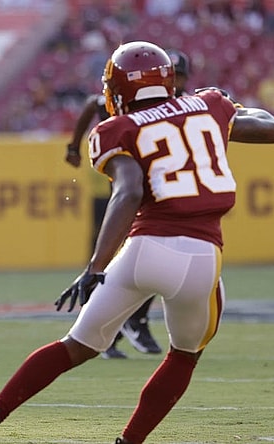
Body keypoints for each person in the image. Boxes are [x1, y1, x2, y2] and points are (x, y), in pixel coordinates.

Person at [0, 41, 274, 444]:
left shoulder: (115, 129)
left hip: (143, 251)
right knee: (184, 355)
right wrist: (231, 107)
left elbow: (128, 192)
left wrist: (95, 267)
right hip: (200, 256)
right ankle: (130, 441)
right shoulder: (209, 105)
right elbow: (273, 129)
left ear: (118, 88)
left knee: (75, 345)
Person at [63, 49, 191, 359]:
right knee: (124, 258)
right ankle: (121, 323)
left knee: (149, 259)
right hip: (129, 190)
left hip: (159, 191)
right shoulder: (123, 100)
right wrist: (73, 145)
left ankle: (124, 325)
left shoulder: (185, 101)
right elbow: (93, 104)